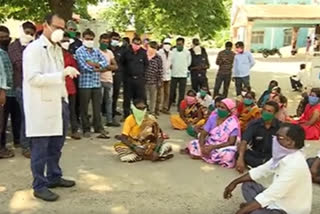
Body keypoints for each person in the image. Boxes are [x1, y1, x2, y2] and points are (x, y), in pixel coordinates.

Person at [23, 14, 78, 201]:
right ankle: (39, 185)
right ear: (45, 25)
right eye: (56, 27)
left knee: (57, 144)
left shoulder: (56, 49)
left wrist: (64, 98)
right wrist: (61, 74)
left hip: (58, 102)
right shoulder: (34, 49)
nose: (59, 31)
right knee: (40, 148)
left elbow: (59, 78)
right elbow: (33, 78)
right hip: (41, 105)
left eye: (62, 28)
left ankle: (54, 176)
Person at [224, 123, 312, 214]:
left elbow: (271, 194)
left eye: (279, 138)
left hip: (287, 209)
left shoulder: (295, 165)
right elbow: (261, 170)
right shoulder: (283, 155)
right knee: (248, 185)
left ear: (290, 143)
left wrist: (241, 212)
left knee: (255, 212)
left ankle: (255, 209)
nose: (275, 140)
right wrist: (234, 182)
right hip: (276, 200)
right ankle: (256, 208)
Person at [182, 98, 241, 168]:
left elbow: (231, 142)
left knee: (228, 154)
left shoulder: (232, 122)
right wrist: (202, 146)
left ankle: (203, 155)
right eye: (218, 106)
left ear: (229, 111)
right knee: (193, 143)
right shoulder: (213, 118)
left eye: (222, 108)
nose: (219, 109)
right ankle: (206, 154)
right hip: (209, 143)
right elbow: (203, 134)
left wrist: (213, 147)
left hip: (222, 147)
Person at [8, 21, 36, 158]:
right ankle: (25, 146)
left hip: (34, 86)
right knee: (27, 116)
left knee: (33, 116)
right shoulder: (14, 46)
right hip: (21, 86)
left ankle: (30, 143)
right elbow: (20, 65)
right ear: (21, 31)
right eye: (27, 32)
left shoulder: (34, 46)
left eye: (32, 33)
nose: (29, 35)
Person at [75, 29, 110, 138]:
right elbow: (83, 67)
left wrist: (93, 64)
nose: (89, 41)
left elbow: (105, 63)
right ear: (82, 38)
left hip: (96, 83)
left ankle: (98, 127)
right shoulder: (79, 51)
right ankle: (86, 128)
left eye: (91, 39)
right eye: (87, 39)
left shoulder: (96, 51)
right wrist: (98, 67)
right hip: (84, 84)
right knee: (84, 108)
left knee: (97, 107)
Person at [236, 101, 281, 173]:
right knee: (239, 152)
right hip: (256, 154)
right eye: (264, 110)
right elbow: (244, 141)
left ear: (275, 114)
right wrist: (240, 158)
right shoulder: (254, 124)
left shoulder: (280, 126)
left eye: (269, 111)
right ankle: (261, 166)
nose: (265, 112)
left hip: (271, 156)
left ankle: (259, 166)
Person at [0, 26, 18, 159]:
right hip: (3, 93)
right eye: (1, 38)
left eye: (6, 37)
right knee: (1, 122)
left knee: (8, 121)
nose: (4, 39)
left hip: (12, 92)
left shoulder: (8, 51)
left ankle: (6, 145)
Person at [60, 34, 81, 139]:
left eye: (68, 41)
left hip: (70, 86)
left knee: (72, 110)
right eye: (64, 41)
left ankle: (74, 130)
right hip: (58, 86)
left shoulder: (70, 55)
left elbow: (75, 68)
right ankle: (60, 132)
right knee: (60, 111)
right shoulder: (54, 55)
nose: (66, 43)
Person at [122, 37, 148, 119]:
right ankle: (126, 115)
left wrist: (142, 75)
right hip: (128, 79)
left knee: (140, 98)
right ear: (132, 43)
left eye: (138, 44)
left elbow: (146, 64)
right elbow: (122, 63)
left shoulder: (143, 53)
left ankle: (139, 115)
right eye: (135, 43)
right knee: (127, 98)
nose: (136, 45)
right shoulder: (126, 52)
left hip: (139, 79)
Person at [99, 33, 120, 127]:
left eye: (107, 42)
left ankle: (109, 120)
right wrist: (108, 67)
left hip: (109, 80)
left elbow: (116, 66)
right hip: (98, 80)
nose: (105, 43)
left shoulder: (110, 53)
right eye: (103, 41)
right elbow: (96, 67)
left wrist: (107, 67)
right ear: (99, 41)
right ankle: (98, 121)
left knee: (109, 101)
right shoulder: (96, 52)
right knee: (98, 102)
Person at [169, 37, 191, 112]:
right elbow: (170, 61)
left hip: (183, 75)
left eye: (180, 44)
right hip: (174, 74)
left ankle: (180, 107)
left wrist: (183, 67)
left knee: (181, 93)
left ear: (183, 44)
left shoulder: (187, 52)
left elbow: (189, 63)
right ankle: (168, 106)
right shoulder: (173, 51)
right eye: (177, 44)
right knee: (172, 91)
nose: (179, 45)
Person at [145, 41, 163, 116]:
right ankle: (144, 112)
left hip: (153, 81)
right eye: (150, 47)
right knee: (144, 97)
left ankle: (152, 112)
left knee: (153, 98)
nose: (151, 49)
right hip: (144, 80)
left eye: (154, 47)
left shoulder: (158, 57)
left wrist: (159, 80)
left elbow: (160, 69)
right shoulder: (144, 56)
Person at [109, 32, 124, 118]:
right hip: (107, 73)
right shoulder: (106, 48)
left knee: (115, 93)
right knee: (107, 94)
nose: (115, 41)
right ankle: (104, 110)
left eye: (117, 39)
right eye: (114, 39)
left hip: (118, 74)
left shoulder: (121, 50)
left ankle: (113, 109)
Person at [156, 38, 172, 114]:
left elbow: (171, 64)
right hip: (160, 75)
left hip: (168, 75)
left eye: (168, 44)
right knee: (160, 93)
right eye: (166, 44)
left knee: (167, 93)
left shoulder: (171, 53)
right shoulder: (159, 53)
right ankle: (158, 108)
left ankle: (165, 107)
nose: (167, 45)